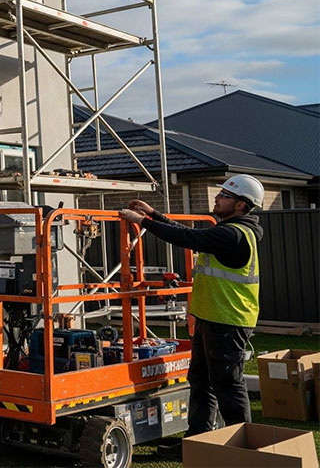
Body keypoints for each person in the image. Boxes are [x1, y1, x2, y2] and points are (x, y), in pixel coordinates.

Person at [118, 174, 264, 458]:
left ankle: (245, 449)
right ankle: (196, 443)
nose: (217, 198)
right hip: (212, 318)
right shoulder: (229, 230)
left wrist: (143, 222)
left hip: (228, 321)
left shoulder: (232, 234)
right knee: (201, 382)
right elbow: (192, 236)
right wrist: (154, 214)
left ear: (241, 205)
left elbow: (187, 237)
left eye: (224, 195)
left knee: (228, 385)